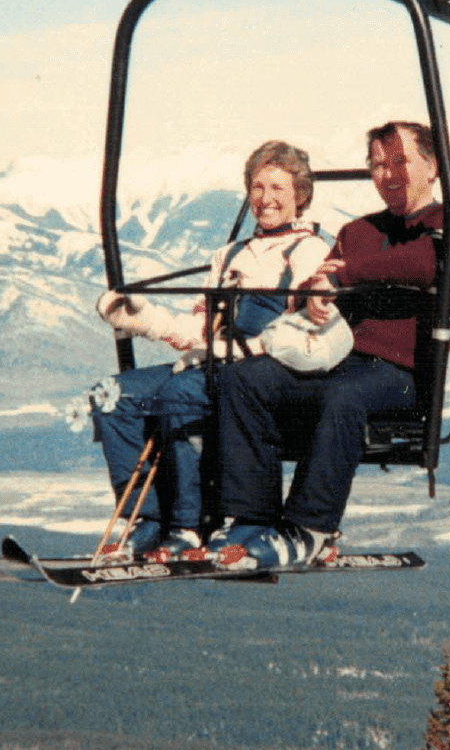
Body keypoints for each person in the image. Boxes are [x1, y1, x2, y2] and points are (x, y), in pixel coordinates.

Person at [209, 119, 450, 569]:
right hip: (340, 358)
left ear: (432, 167)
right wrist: (314, 297)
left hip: (404, 374)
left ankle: (309, 527)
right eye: (377, 165)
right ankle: (252, 517)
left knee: (345, 394)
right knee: (246, 379)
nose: (389, 175)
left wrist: (345, 274)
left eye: (400, 162)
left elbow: (424, 264)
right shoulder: (357, 232)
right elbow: (320, 281)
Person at [84, 139, 334, 559]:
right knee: (111, 396)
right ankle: (144, 518)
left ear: (300, 196)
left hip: (259, 371)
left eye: (278, 188)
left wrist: (238, 351)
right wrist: (142, 319)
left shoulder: (308, 252)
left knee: (179, 395)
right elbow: (201, 328)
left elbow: (302, 328)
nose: (265, 199)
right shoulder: (229, 255)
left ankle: (188, 524)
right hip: (214, 362)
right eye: (257, 187)